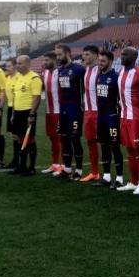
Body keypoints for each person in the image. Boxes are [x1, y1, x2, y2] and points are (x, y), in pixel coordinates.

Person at [115, 47, 139, 193]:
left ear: (134, 57)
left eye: (125, 55)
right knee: (129, 151)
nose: (122, 57)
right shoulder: (121, 71)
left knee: (138, 151)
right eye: (121, 54)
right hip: (123, 116)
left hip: (135, 117)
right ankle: (133, 181)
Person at [93, 50, 125, 189]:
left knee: (114, 146)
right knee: (104, 146)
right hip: (101, 117)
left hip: (112, 117)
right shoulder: (99, 76)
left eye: (103, 61)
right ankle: (106, 177)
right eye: (99, 61)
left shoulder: (116, 77)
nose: (100, 63)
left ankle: (119, 178)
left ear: (111, 62)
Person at [54, 43, 86, 180]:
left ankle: (79, 171)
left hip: (75, 109)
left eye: (60, 54)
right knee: (64, 138)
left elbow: (85, 90)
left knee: (74, 138)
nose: (58, 57)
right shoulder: (60, 70)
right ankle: (67, 169)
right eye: (56, 54)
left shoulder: (79, 70)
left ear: (67, 53)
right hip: (64, 110)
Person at [10, 55, 42, 176]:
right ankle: (21, 165)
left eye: (20, 63)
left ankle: (31, 167)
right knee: (19, 139)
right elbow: (15, 97)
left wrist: (32, 114)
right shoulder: (18, 77)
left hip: (27, 112)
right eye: (17, 63)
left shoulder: (34, 78)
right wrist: (13, 113)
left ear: (28, 64)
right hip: (17, 112)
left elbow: (36, 98)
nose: (17, 65)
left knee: (29, 140)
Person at [80, 45, 101, 182]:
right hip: (88, 112)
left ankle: (110, 175)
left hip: (99, 112)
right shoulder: (86, 70)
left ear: (95, 55)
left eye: (87, 54)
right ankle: (94, 172)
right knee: (90, 142)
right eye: (84, 54)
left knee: (106, 144)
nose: (84, 57)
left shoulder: (100, 70)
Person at [40, 51, 63, 175]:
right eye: (44, 60)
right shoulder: (45, 73)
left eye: (47, 60)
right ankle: (55, 164)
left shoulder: (60, 72)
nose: (44, 63)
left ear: (54, 60)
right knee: (52, 138)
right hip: (49, 111)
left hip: (58, 111)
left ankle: (63, 166)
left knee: (60, 139)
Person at [4, 58, 20, 168]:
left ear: (15, 66)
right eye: (6, 66)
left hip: (18, 109)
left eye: (9, 66)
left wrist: (14, 113)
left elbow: (17, 97)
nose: (7, 68)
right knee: (14, 136)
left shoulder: (18, 78)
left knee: (19, 136)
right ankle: (15, 159)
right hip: (10, 108)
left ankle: (19, 160)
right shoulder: (8, 77)